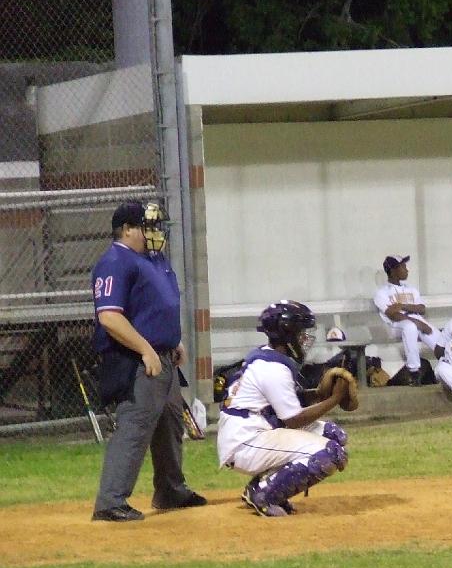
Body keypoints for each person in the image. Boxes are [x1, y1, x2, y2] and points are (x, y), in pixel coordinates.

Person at [90, 201, 206, 522]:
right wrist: (146, 349)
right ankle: (110, 500)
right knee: (136, 424)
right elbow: (110, 317)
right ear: (127, 229)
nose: (155, 233)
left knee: (169, 422)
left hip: (162, 355)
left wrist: (172, 342)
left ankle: (170, 489)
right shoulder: (115, 261)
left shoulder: (152, 259)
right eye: (147, 226)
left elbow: (154, 307)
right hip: (136, 359)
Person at [218, 300, 351, 517]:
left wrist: (318, 394)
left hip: (255, 430)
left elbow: (288, 400)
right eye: (301, 332)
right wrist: (334, 399)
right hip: (246, 442)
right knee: (330, 453)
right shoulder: (273, 368)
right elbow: (293, 420)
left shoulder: (268, 356)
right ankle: (264, 494)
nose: (305, 338)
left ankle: (263, 485)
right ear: (287, 334)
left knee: (335, 435)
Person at [373, 254, 438, 385]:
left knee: (438, 338)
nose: (407, 269)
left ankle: (451, 364)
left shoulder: (411, 289)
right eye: (403, 267)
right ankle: (414, 371)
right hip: (394, 326)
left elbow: (421, 308)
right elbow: (392, 314)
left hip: (415, 322)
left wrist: (402, 306)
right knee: (410, 327)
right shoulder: (382, 292)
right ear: (393, 270)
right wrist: (416, 321)